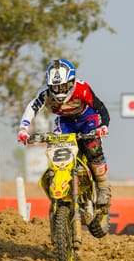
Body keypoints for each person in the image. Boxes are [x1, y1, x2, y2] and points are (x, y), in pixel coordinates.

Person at [17, 59, 111, 208]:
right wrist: (23, 129)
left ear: (71, 82)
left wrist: (103, 126)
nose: (60, 90)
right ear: (49, 85)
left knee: (93, 146)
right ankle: (60, 180)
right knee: (56, 146)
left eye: (63, 85)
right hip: (65, 122)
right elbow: (32, 108)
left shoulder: (82, 88)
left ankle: (103, 187)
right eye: (56, 87)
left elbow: (100, 107)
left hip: (87, 118)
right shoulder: (45, 94)